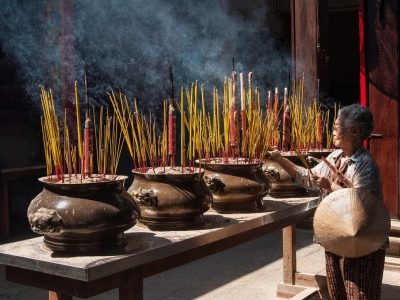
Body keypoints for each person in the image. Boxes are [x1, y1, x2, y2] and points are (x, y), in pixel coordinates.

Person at [267, 104, 387, 300]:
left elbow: (360, 203)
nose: (333, 132)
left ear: (355, 131)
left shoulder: (365, 164)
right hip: (335, 235)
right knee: (337, 293)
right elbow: (308, 178)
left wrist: (330, 186)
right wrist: (279, 159)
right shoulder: (336, 156)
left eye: (338, 127)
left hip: (362, 241)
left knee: (359, 295)